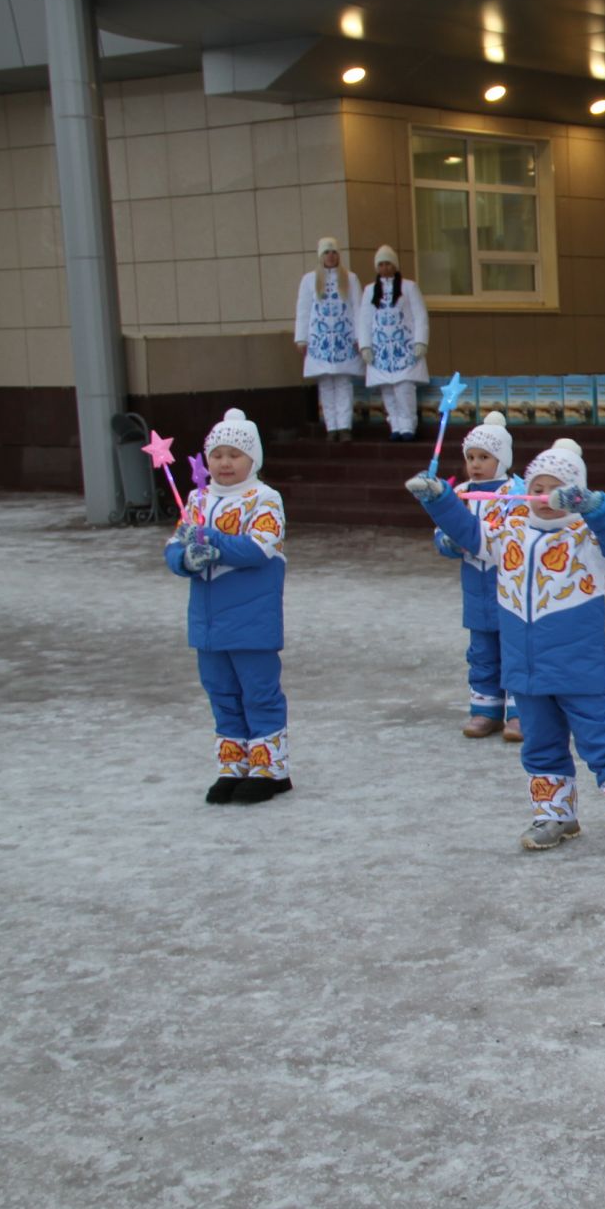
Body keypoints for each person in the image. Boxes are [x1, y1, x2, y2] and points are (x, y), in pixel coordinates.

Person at [407, 439, 605, 856]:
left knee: (601, 742)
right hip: (525, 668)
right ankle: (555, 814)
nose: (545, 496)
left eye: (557, 488)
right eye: (538, 486)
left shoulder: (587, 541)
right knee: (539, 743)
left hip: (577, 668)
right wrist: (440, 500)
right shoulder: (509, 535)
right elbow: (468, 531)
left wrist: (592, 506)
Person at [165, 409, 292, 805]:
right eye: (216, 454)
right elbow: (173, 549)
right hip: (207, 621)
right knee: (221, 692)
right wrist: (186, 558)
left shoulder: (265, 498)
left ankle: (270, 769)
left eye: (234, 454)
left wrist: (211, 540)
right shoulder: (197, 498)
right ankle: (232, 766)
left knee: (258, 692)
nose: (224, 462)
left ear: (253, 459)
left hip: (251, 619)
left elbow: (259, 548)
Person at [435, 412, 522, 740]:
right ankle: (485, 710)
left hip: (510, 588)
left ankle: (519, 712)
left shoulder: (516, 493)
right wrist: (448, 542)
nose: (475, 464)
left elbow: (520, 533)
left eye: (484, 457)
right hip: (475, 589)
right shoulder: (459, 495)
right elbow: (442, 529)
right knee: (482, 652)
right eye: (470, 457)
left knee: (514, 650)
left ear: (502, 459)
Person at [294, 237, 364, 442]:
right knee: (325, 384)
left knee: (343, 383)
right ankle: (331, 426)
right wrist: (301, 339)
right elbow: (304, 310)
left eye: (334, 252)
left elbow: (358, 308)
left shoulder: (350, 278)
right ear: (321, 256)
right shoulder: (309, 280)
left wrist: (360, 338)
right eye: (327, 252)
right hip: (320, 341)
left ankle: (344, 427)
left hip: (344, 340)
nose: (331, 256)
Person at [358, 246, 429, 442]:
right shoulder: (370, 290)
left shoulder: (409, 287)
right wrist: (365, 346)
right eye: (380, 264)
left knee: (404, 389)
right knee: (388, 391)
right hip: (381, 351)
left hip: (404, 349)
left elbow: (420, 316)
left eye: (388, 263)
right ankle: (395, 425)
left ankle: (408, 425)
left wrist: (420, 341)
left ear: (395, 265)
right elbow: (364, 320)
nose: (384, 267)